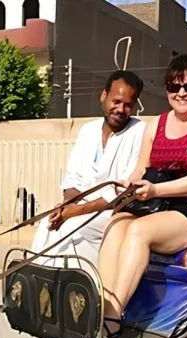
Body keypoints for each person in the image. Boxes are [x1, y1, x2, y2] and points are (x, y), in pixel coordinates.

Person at [97, 52, 187, 338]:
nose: (181, 92)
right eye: (174, 86)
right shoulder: (155, 124)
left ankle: (112, 316)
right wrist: (128, 185)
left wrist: (156, 190)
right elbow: (141, 169)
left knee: (138, 231)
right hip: (162, 204)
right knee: (116, 222)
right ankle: (104, 303)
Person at [30, 70, 146, 268]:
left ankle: (86, 294)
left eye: (128, 105)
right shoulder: (88, 131)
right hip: (78, 206)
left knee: (75, 228)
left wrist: (75, 212)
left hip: (114, 212)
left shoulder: (140, 132)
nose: (120, 109)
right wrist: (67, 206)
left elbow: (122, 192)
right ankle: (40, 286)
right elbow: (72, 179)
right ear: (104, 96)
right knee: (46, 225)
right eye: (116, 101)